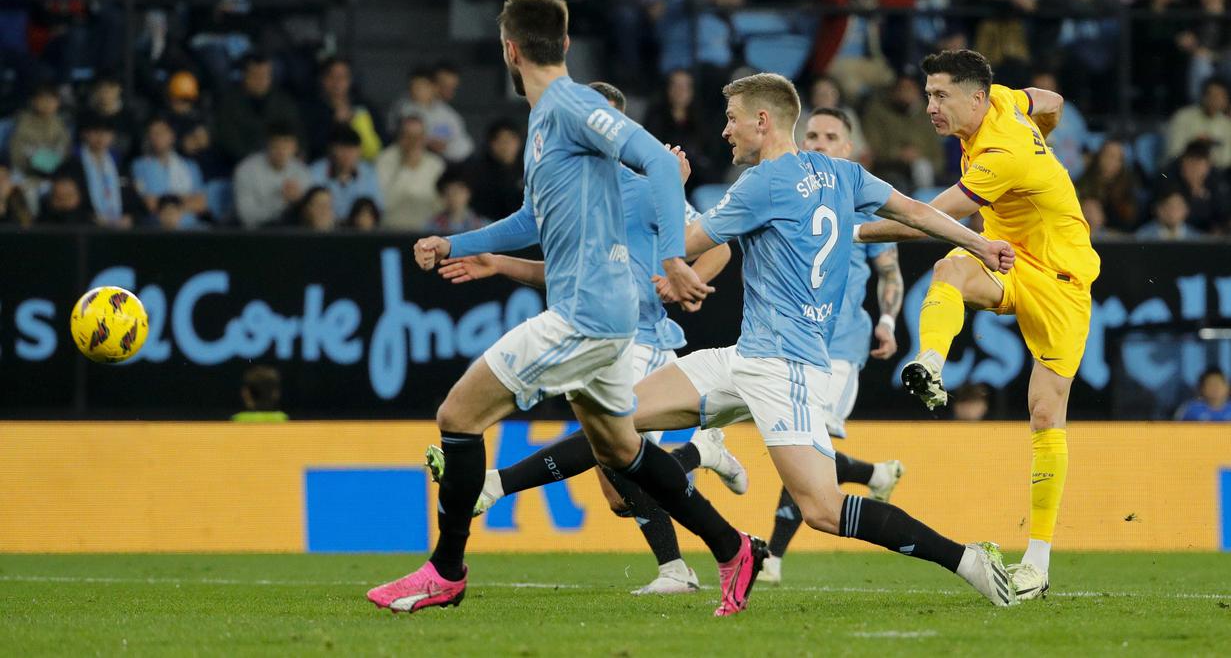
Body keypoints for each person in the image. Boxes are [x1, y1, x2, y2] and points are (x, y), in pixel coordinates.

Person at [427, 72, 1022, 610]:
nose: (727, 129)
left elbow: (684, 244)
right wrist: (976, 243)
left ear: (764, 121)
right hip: (746, 356)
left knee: (821, 510)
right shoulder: (844, 174)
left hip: (785, 366)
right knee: (618, 420)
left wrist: (666, 183)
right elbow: (917, 210)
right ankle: (689, 511)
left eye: (734, 117)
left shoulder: (761, 185)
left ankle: (966, 559)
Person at [367, 0, 758, 618]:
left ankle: (446, 571)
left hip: (584, 316)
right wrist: (454, 242)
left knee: (459, 415)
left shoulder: (573, 106)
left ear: (508, 49)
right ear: (565, 44)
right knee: (621, 453)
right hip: (603, 319)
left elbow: (659, 161)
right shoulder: (548, 119)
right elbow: (530, 217)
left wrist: (669, 258)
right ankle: (732, 546)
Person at [426, 81, 747, 597]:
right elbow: (563, 271)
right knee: (620, 490)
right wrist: (497, 263)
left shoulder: (645, 184)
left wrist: (680, 279)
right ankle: (697, 464)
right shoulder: (567, 188)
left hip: (641, 336)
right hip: (597, 332)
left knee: (614, 450)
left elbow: (719, 248)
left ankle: (502, 484)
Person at [857, 49, 1102, 601]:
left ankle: (1037, 562)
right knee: (951, 271)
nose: (929, 107)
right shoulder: (1009, 103)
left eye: (940, 96)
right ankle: (931, 363)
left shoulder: (1002, 151)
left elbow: (926, 222)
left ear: (975, 98)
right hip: (1007, 259)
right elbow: (1052, 100)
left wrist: (846, 233)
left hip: (1062, 280)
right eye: (927, 95)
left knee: (1045, 410)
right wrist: (1048, 130)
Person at [760, 106, 908, 586]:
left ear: (848, 149)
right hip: (790, 341)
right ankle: (872, 474)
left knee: (801, 446)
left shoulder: (861, 200)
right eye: (813, 134)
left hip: (840, 346)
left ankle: (772, 559)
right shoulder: (786, 193)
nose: (820, 142)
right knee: (800, 449)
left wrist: (887, 320)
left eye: (831, 136)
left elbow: (889, 271)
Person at [384, 67, 474, 163]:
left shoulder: (447, 112)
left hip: (447, 162)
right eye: (412, 87)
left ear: (434, 87)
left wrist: (446, 148)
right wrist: (429, 143)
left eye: (420, 87)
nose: (414, 91)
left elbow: (465, 144)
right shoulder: (404, 108)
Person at [234, 122, 311, 227]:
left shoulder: (301, 171)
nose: (281, 151)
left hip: (293, 233)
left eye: (286, 145)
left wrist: (300, 202)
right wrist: (282, 202)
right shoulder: (246, 170)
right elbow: (247, 217)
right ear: (267, 145)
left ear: (295, 147)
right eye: (276, 145)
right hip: (256, 234)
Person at [375, 115, 445, 231]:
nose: (414, 142)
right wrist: (406, 168)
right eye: (409, 136)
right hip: (391, 229)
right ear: (400, 137)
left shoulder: (436, 165)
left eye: (418, 137)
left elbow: (440, 207)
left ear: (425, 138)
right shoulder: (384, 160)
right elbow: (383, 204)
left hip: (427, 232)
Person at [309, 124, 382, 221]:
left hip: (358, 231)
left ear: (359, 151)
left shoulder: (368, 173)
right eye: (342, 149)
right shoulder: (315, 172)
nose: (347, 154)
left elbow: (377, 208)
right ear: (331, 149)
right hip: (325, 230)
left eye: (352, 149)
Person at [428, 171, 489, 235]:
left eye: (456, 192)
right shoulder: (432, 226)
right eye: (447, 194)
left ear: (468, 192)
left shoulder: (483, 226)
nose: (452, 198)